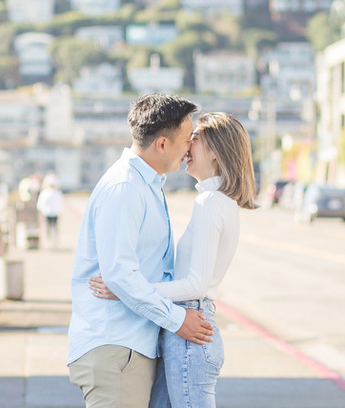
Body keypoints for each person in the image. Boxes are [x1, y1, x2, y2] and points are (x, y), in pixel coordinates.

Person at [90, 111, 257, 408]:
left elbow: (195, 285)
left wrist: (126, 291)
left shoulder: (211, 202)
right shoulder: (218, 201)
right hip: (185, 330)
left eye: (196, 140)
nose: (188, 148)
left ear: (216, 152)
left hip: (190, 329)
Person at [67, 93, 214, 408]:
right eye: (188, 139)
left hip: (130, 347)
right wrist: (177, 319)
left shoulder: (146, 185)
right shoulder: (125, 188)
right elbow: (119, 275)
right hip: (116, 347)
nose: (191, 146)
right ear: (162, 144)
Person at [36, 176, 64, 243]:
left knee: (48, 226)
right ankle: (55, 239)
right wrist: (60, 211)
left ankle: (49, 239)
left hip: (47, 212)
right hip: (55, 212)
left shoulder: (44, 193)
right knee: (55, 226)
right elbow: (60, 203)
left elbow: (40, 203)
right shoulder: (57, 193)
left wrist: (40, 211)